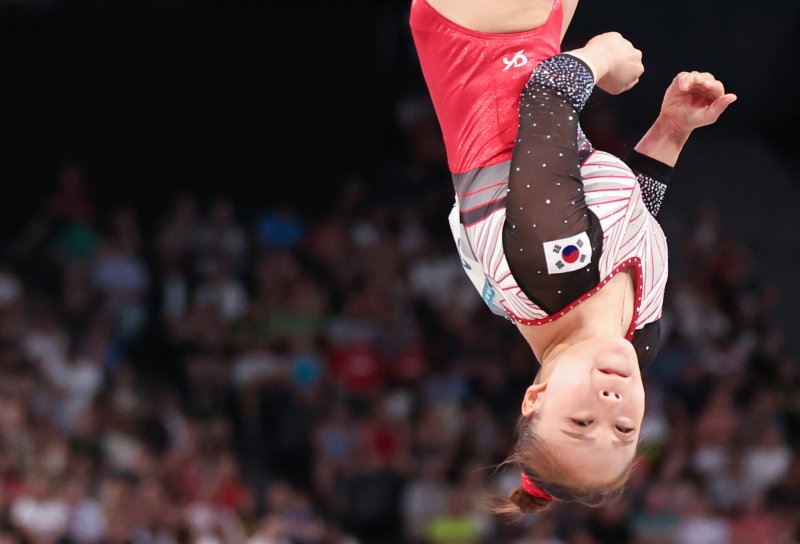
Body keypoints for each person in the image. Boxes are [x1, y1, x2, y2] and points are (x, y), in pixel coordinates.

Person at [409, 0, 736, 513]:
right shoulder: (639, 340)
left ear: (535, 399)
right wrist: (672, 131)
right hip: (533, 40)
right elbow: (630, 221)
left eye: (581, 423)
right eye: (625, 429)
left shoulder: (548, 271)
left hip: (475, 37)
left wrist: (607, 54)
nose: (611, 407)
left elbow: (549, 92)